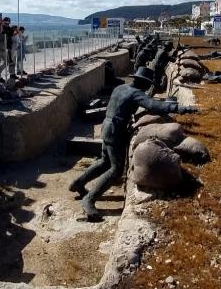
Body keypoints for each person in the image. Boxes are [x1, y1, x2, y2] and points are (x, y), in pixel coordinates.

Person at [69, 67, 199, 221]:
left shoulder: (120, 87)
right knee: (116, 170)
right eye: (147, 84)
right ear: (143, 83)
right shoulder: (136, 93)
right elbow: (153, 105)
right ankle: (89, 199)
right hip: (116, 131)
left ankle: (77, 184)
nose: (148, 87)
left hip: (106, 126)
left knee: (104, 161)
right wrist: (179, 108)